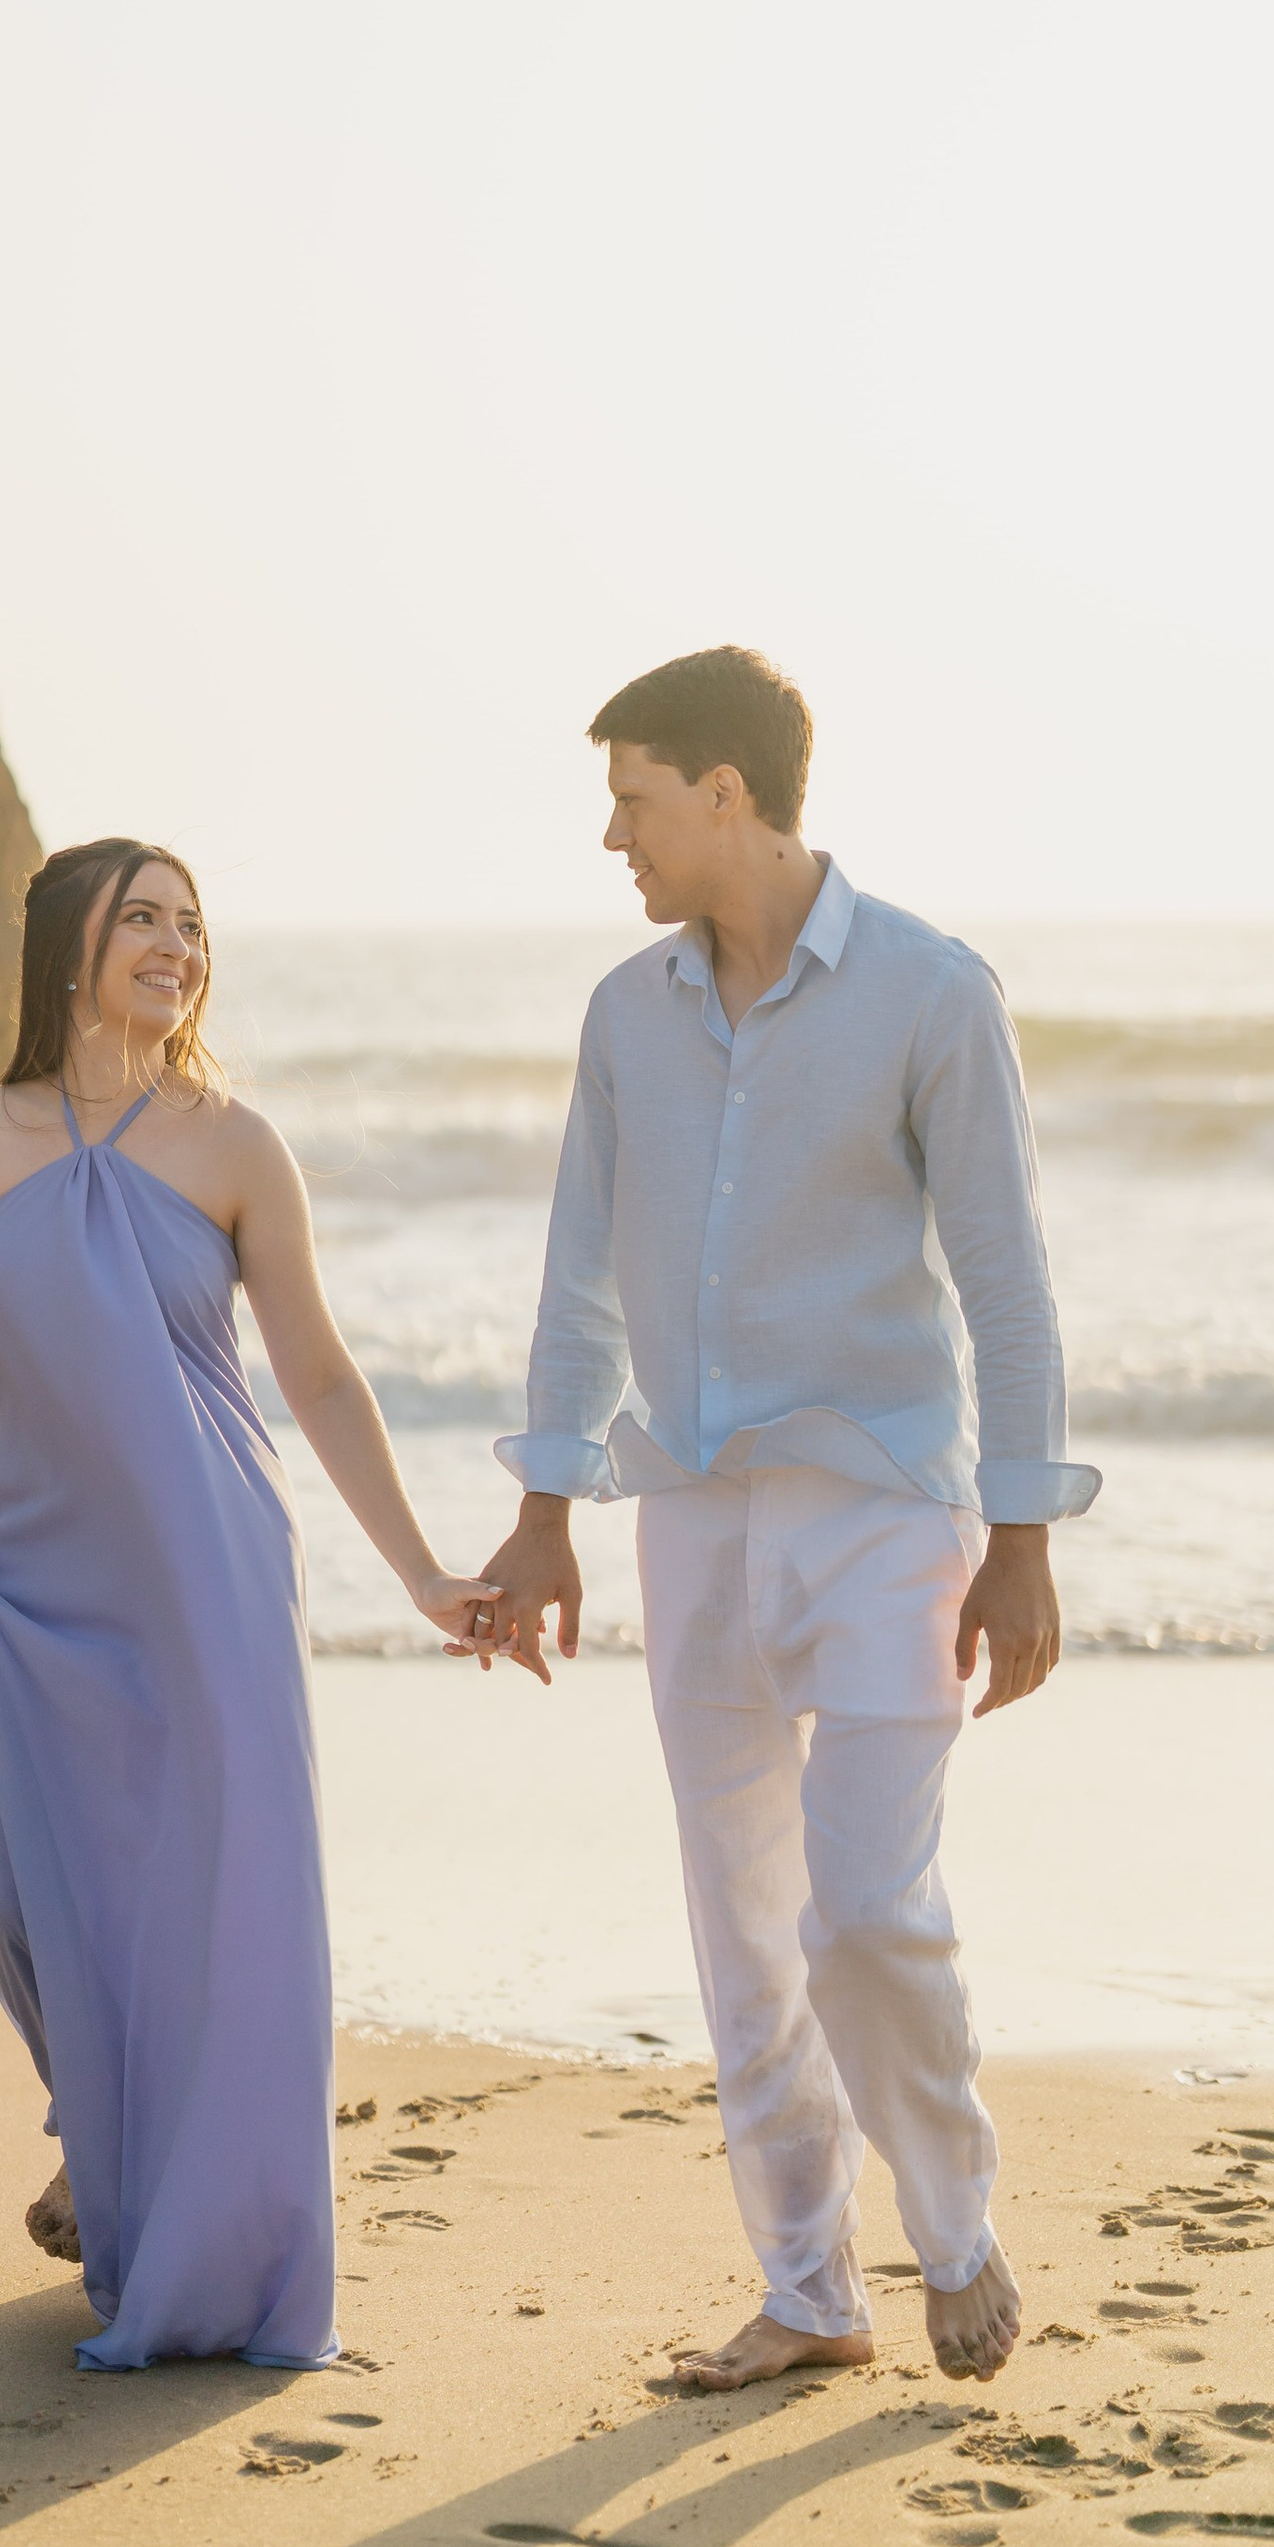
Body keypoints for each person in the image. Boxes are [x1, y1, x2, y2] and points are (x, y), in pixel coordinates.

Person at [464, 648, 1097, 2392]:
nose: (615, 836)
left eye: (636, 798)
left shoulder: (929, 990)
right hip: (692, 1509)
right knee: (741, 1919)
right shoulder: (624, 1014)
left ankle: (954, 2224)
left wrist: (1026, 1535)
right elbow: (580, 1274)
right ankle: (811, 2288)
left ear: (727, 793)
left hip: (891, 1506)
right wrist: (546, 1512)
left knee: (866, 1905)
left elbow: (1011, 1285)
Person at [0, 835, 487, 2371]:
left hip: (211, 1568)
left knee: (211, 1902)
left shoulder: (235, 1143)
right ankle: (96, 2131)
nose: (176, 944)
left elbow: (316, 1371)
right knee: (24, 1892)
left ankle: (198, 2235)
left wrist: (423, 1567)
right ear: (71, 947)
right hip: (35, 1571)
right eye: (142, 919)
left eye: (191, 922)